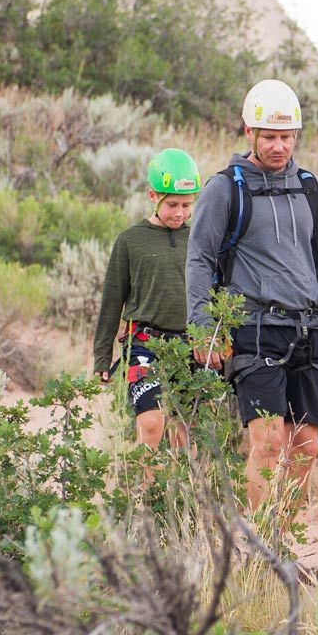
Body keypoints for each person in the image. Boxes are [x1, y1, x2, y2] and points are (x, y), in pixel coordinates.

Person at [185, 78, 318, 510]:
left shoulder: (309, 186)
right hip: (254, 328)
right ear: (249, 132)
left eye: (287, 137)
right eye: (269, 137)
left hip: (307, 329)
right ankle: (262, 545)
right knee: (269, 443)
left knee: (307, 446)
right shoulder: (225, 188)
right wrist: (201, 327)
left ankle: (287, 538)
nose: (279, 146)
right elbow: (198, 259)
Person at [92, 148, 200, 451]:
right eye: (173, 204)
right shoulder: (130, 240)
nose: (180, 213)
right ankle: (142, 494)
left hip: (190, 345)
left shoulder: (199, 239)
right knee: (151, 423)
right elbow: (112, 300)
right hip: (145, 344)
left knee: (184, 430)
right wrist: (102, 355)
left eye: (187, 205)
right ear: (153, 196)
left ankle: (179, 496)